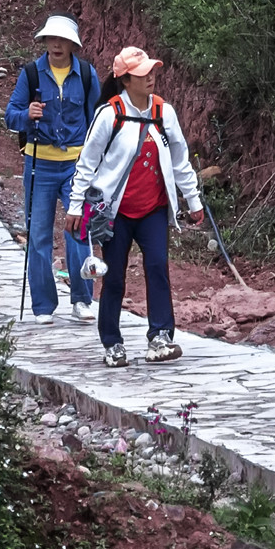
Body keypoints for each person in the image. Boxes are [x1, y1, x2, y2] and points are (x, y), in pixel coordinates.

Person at [64, 46, 204, 368]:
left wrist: (193, 200)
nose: (150, 77)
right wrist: (75, 207)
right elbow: (87, 164)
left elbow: (180, 161)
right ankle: (112, 342)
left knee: (158, 267)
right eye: (142, 74)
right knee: (114, 278)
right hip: (116, 212)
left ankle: (161, 336)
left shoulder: (163, 112)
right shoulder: (109, 115)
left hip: (153, 209)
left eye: (152, 71)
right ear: (125, 80)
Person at [3, 16, 101, 323]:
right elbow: (10, 115)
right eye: (51, 39)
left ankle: (82, 299)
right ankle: (43, 306)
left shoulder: (86, 74)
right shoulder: (31, 74)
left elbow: (97, 120)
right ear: (45, 42)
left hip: (76, 166)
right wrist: (26, 114)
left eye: (62, 39)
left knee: (79, 232)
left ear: (73, 44)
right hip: (39, 165)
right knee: (39, 236)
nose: (56, 44)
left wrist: (97, 161)